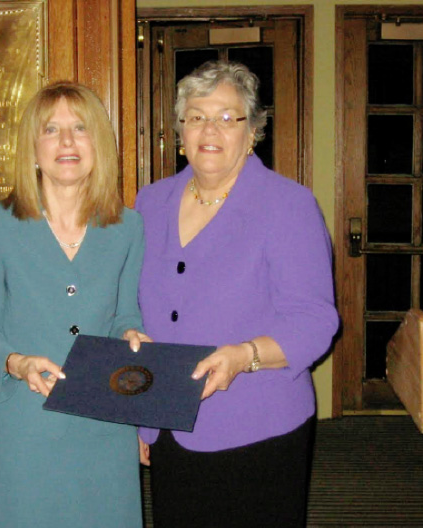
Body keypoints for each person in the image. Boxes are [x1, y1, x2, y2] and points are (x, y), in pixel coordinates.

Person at [135, 60, 339, 527]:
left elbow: (314, 321)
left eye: (228, 117)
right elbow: (145, 315)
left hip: (259, 427)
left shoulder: (288, 205)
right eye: (196, 116)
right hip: (170, 424)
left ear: (253, 133)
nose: (211, 129)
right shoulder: (150, 203)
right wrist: (143, 417)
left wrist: (244, 356)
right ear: (179, 130)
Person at [0, 82, 149, 528]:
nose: (67, 141)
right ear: (33, 148)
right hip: (28, 426)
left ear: (98, 144)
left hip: (108, 424)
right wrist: (17, 362)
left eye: (80, 128)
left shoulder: (128, 228)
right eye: (51, 129)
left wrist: (131, 335)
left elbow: (126, 314)